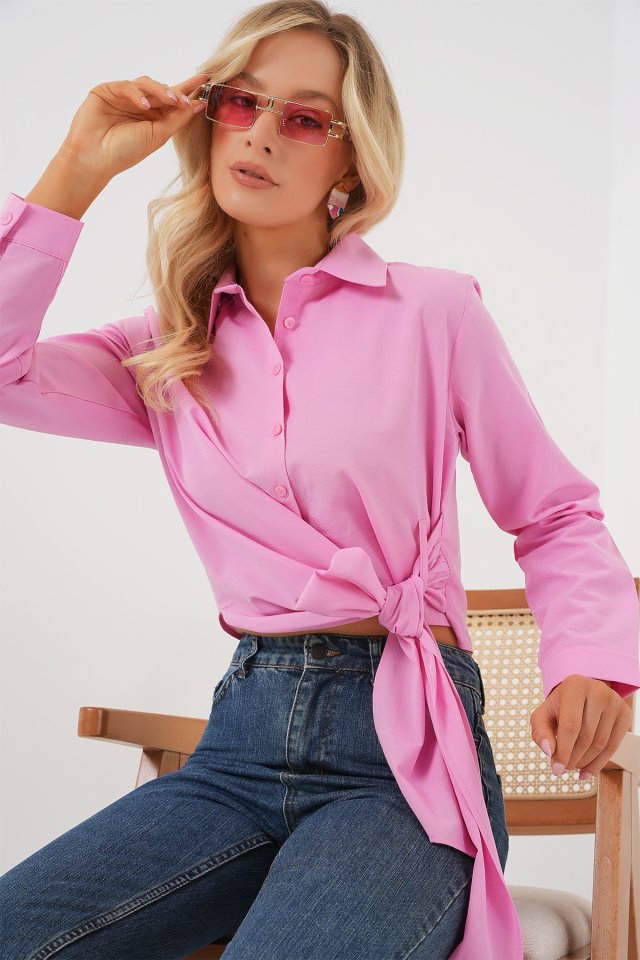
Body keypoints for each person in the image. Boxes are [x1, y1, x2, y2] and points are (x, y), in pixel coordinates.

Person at [1, 2, 638, 958]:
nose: (261, 133)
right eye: (242, 102)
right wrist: (76, 171)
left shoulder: (433, 312)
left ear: (351, 161)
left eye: (303, 117)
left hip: (404, 764)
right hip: (237, 747)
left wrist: (588, 661)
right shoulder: (166, 351)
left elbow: (554, 512)